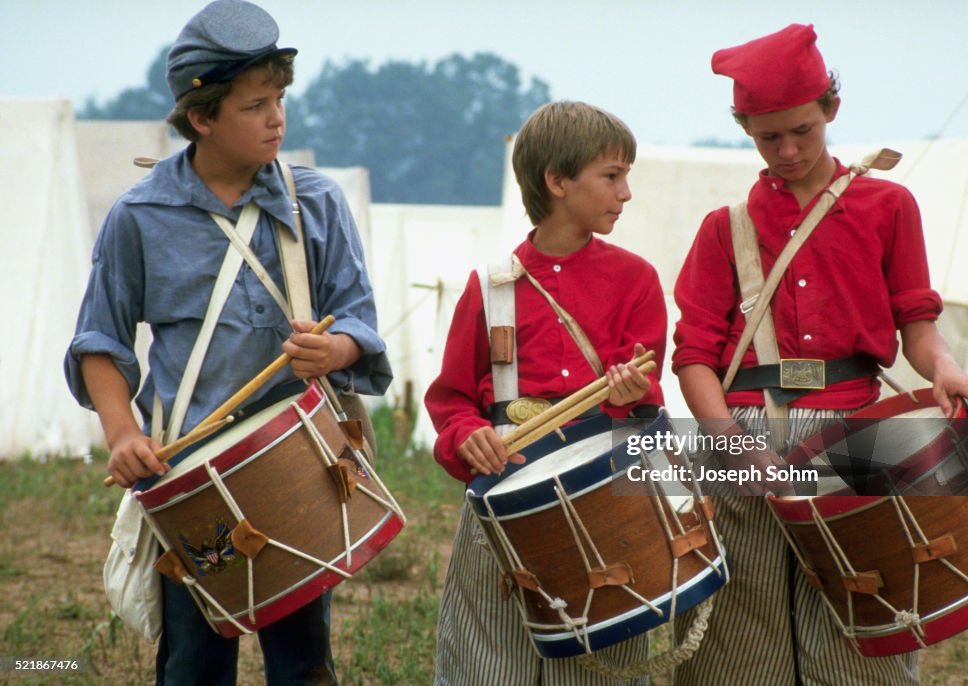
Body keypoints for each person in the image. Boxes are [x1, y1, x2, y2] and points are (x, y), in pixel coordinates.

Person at [64, 1, 390, 683]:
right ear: (202, 116)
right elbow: (100, 339)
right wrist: (124, 435)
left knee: (302, 659)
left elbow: (357, 319)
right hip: (194, 487)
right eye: (254, 105)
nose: (277, 118)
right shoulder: (140, 215)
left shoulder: (316, 203)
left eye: (278, 100)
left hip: (296, 471)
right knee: (196, 655)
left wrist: (334, 352)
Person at [670, 23, 968, 686]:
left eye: (802, 130)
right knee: (738, 647)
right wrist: (731, 442)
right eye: (768, 137)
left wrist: (945, 368)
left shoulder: (890, 205)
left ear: (830, 110)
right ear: (744, 127)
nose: (787, 150)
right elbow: (694, 356)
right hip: (743, 429)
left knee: (861, 638)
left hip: (855, 432)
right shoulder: (723, 229)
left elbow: (918, 324)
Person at [424, 100, 667, 685]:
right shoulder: (491, 286)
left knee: (600, 662)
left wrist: (634, 392)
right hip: (505, 485)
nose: (626, 192)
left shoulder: (637, 279)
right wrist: (467, 434)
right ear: (556, 181)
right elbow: (452, 398)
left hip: (603, 490)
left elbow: (648, 402)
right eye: (612, 176)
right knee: (488, 659)